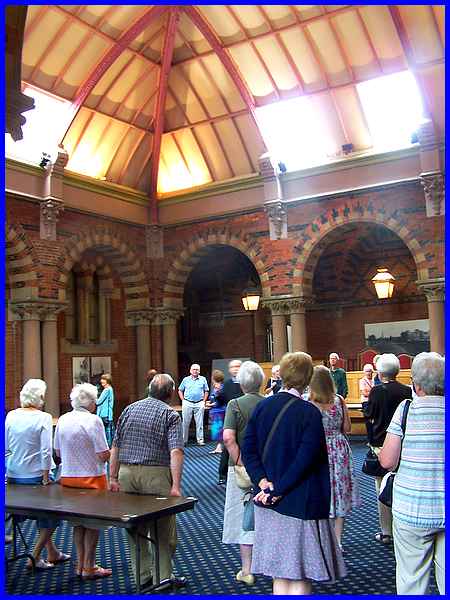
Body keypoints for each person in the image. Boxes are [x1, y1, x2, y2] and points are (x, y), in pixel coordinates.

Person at [242, 352, 346, 595]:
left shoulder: (262, 406)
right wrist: (277, 490)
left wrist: (263, 482)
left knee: (281, 572)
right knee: (300, 573)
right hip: (300, 500)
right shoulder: (309, 412)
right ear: (308, 378)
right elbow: (305, 460)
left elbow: (248, 449)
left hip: (267, 500)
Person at [109, 374, 186, 592]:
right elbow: (176, 451)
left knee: (135, 528)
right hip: (156, 475)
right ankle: (162, 578)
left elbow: (115, 447)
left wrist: (113, 478)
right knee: (163, 530)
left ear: (149, 389)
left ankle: (142, 576)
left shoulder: (129, 409)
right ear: (170, 394)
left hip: (126, 474)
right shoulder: (170, 414)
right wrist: (176, 486)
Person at [379, 352, 444, 595]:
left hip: (412, 510)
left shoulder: (405, 410)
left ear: (415, 384)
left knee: (411, 579)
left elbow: (387, 461)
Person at [5, 379, 70, 570]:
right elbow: (45, 451)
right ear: (40, 397)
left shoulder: (11, 415)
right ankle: (34, 557)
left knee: (40, 513)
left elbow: (6, 447)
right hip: (35, 475)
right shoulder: (43, 417)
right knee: (53, 514)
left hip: (14, 474)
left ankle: (53, 552)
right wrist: (45, 477)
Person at [54, 383, 111, 579]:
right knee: (92, 524)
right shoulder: (93, 421)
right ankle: (90, 566)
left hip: (69, 478)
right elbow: (103, 454)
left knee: (78, 524)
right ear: (90, 402)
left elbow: (58, 452)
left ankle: (80, 564)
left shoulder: (63, 419)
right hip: (92, 479)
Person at [308, 366, 361, 549]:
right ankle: (337, 542)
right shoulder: (339, 400)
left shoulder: (308, 402)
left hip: (317, 449)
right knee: (340, 494)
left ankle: (322, 541)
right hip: (339, 449)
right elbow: (347, 428)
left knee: (321, 493)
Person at [222, 361, 265, 586]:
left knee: (244, 519)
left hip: (240, 469)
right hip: (266, 469)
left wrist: (239, 461)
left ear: (241, 383)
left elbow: (228, 438)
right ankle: (269, 564)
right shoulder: (268, 403)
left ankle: (247, 569)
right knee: (266, 516)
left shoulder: (234, 405)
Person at [362, 353, 411, 544]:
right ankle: (402, 529)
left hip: (381, 444)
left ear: (379, 372)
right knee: (402, 486)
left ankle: (386, 531)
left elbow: (370, 413)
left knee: (382, 488)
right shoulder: (406, 391)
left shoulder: (376, 391)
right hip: (403, 444)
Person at [218, 360, 243, 484]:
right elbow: (221, 399)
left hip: (243, 419)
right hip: (230, 420)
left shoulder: (245, 382)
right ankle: (223, 474)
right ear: (229, 369)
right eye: (233, 367)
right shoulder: (227, 384)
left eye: (238, 366)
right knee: (227, 446)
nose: (235, 369)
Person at [178, 364, 209, 446]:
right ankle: (184, 441)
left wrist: (204, 401)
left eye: (197, 369)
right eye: (194, 369)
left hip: (199, 403)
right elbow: (180, 390)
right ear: (190, 371)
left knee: (199, 423)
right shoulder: (185, 379)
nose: (195, 371)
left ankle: (200, 440)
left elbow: (206, 391)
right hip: (187, 402)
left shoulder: (203, 379)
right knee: (185, 422)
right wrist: (183, 400)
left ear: (199, 371)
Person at [206, 369, 225, 454]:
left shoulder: (219, 388)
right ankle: (218, 447)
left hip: (219, 411)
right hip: (215, 412)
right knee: (217, 429)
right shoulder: (216, 387)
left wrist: (209, 405)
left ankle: (220, 447)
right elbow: (213, 398)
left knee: (219, 429)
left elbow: (219, 401)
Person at [96, 373, 114, 447]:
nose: (101, 381)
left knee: (105, 434)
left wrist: (93, 397)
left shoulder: (106, 390)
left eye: (103, 379)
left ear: (107, 381)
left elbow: (98, 402)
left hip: (104, 414)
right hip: (108, 414)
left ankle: (107, 448)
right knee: (108, 432)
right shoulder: (110, 389)